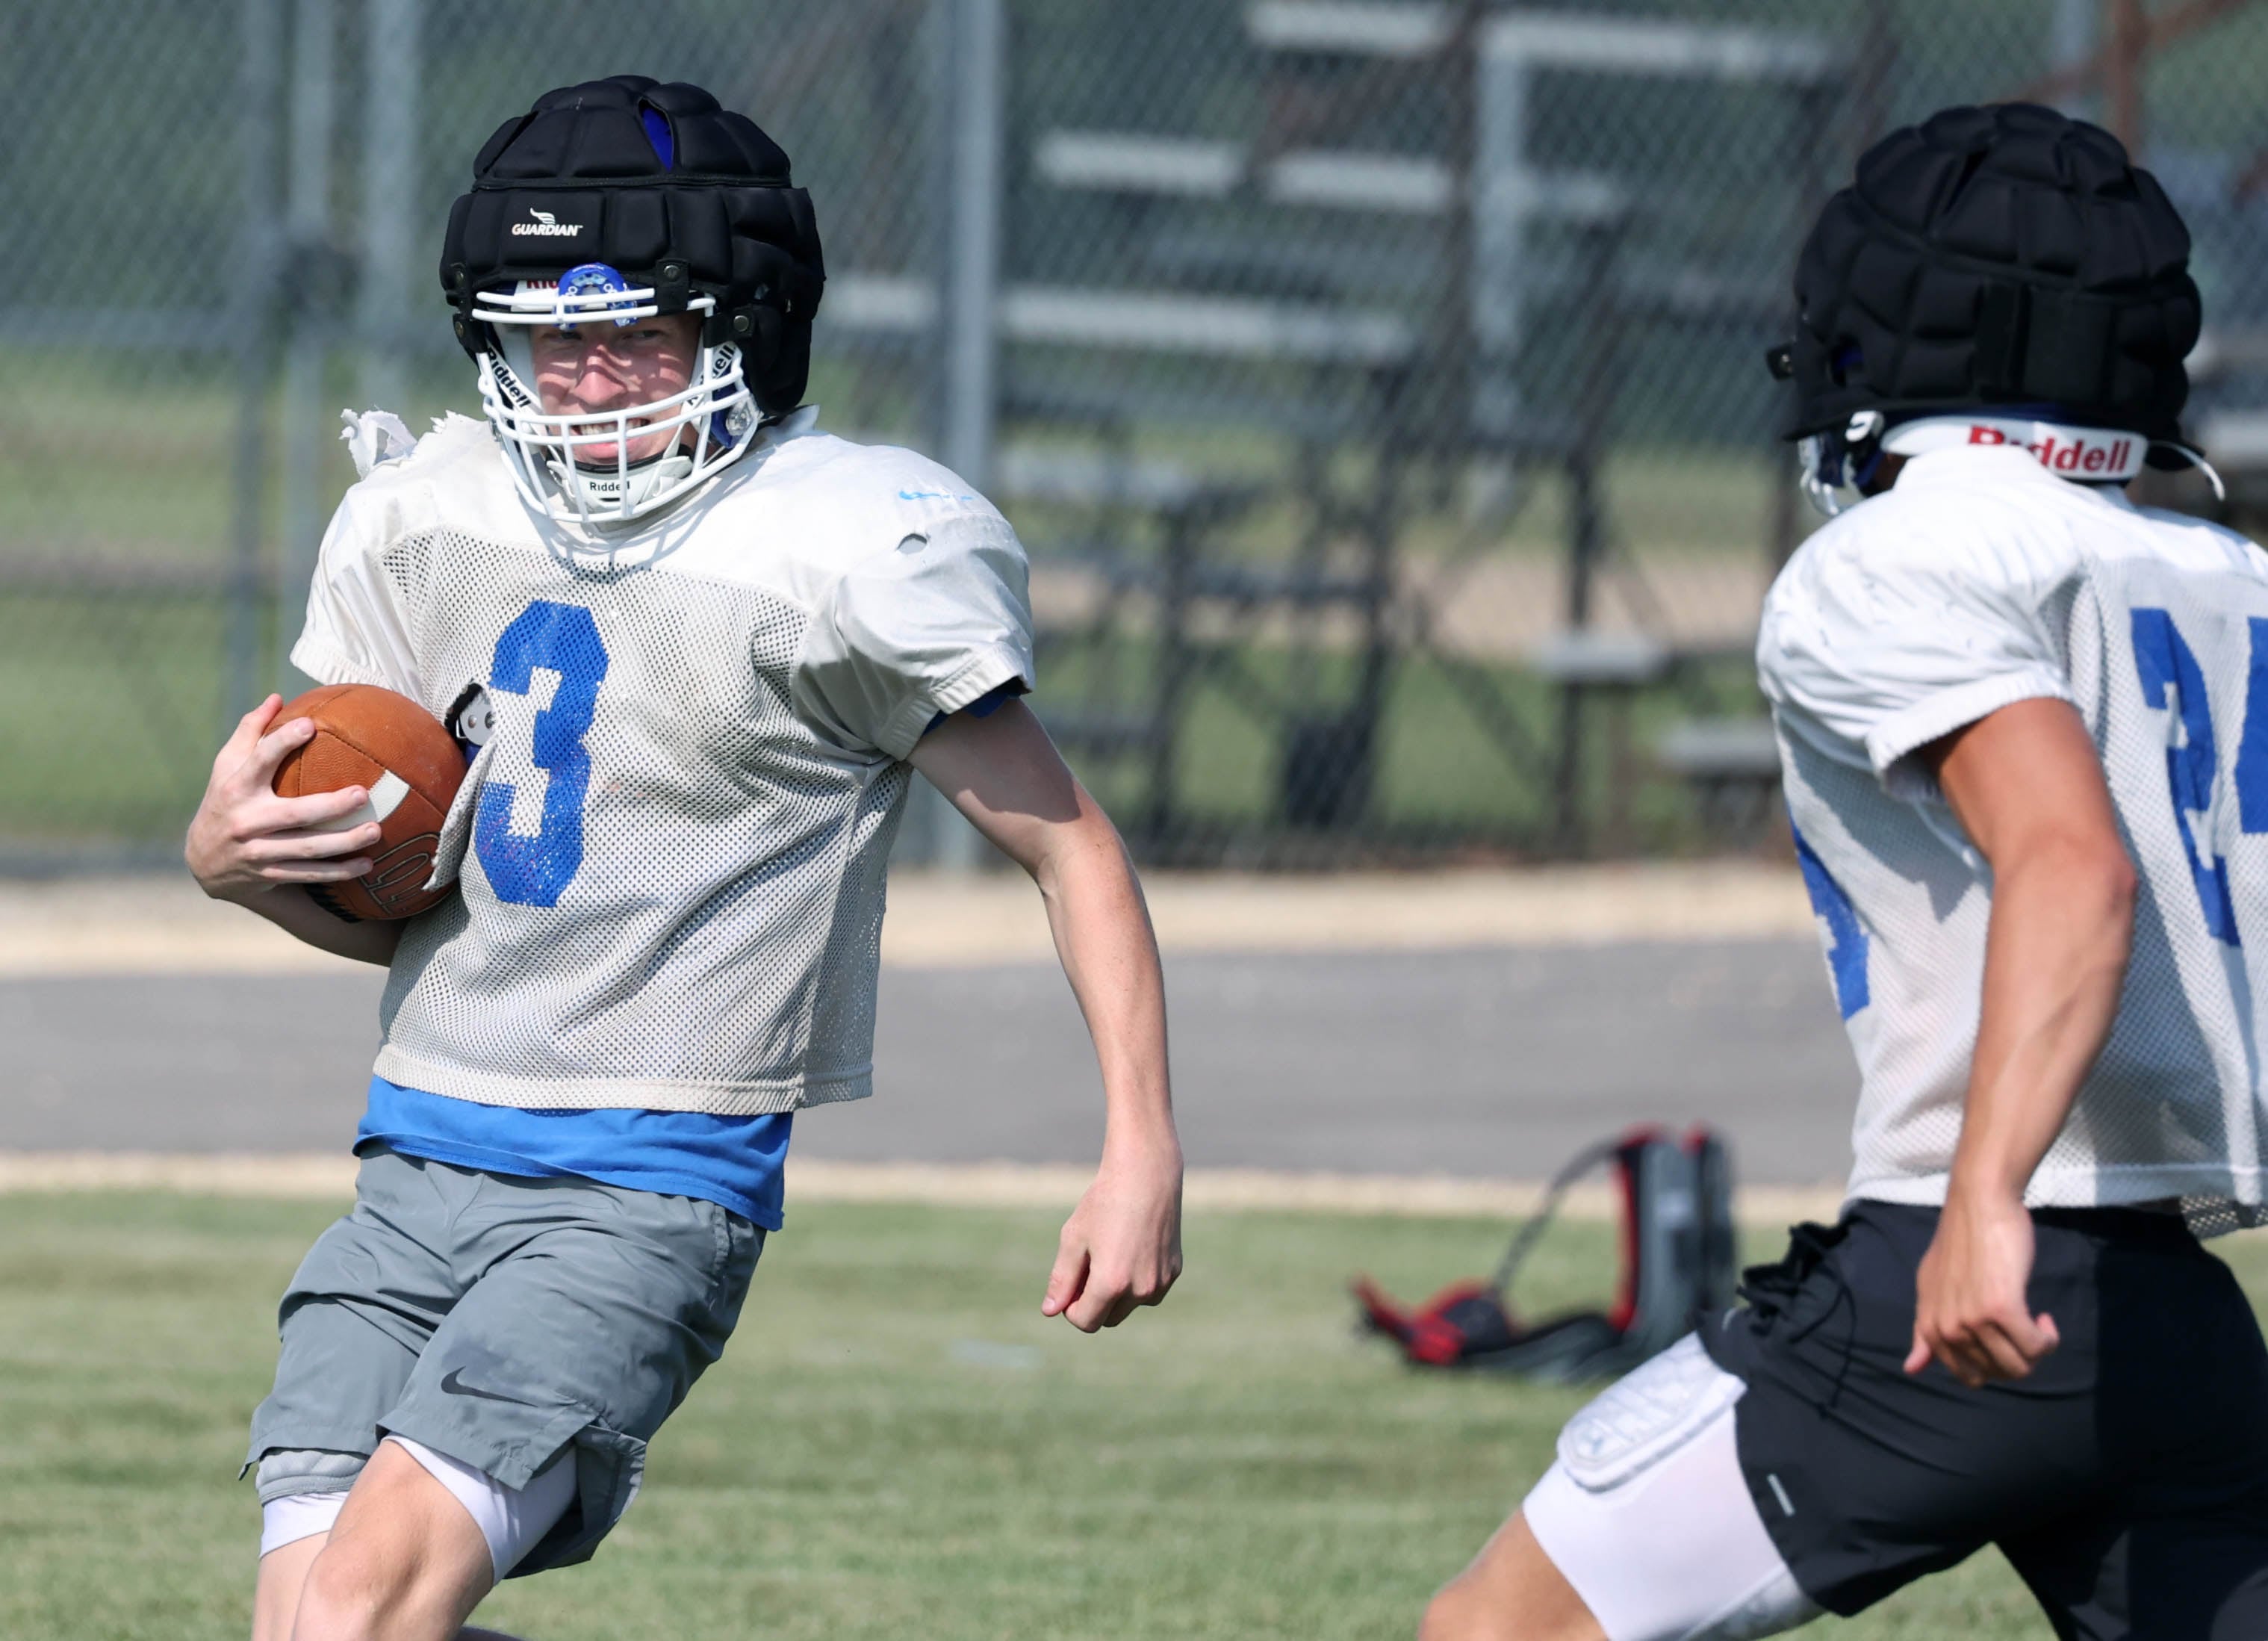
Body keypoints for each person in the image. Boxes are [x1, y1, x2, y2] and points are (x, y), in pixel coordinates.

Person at [184, 76, 1182, 1641]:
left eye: (636, 334)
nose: (586, 382)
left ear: (747, 328)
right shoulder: (431, 519)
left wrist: (1139, 1147)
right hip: (411, 1157)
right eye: (547, 334)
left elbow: (1075, 853)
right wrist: (236, 863)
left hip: (641, 1185)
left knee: (358, 1615)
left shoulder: (839, 552)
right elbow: (403, 911)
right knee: (312, 1626)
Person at [1421, 103, 2268, 1641]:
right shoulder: (2231, 579)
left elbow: (2070, 865)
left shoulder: (1895, 560)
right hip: (2179, 1325)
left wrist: (1984, 1199)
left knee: (1501, 1631)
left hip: (1967, 1278)